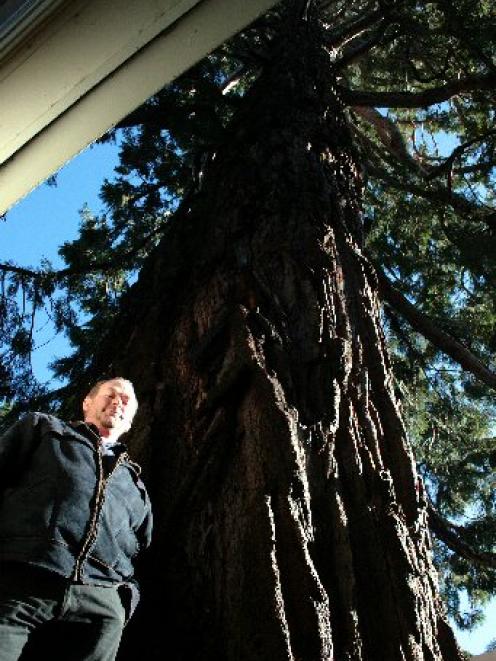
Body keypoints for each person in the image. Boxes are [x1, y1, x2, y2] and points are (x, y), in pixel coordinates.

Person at [0, 377, 153, 661]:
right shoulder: (44, 429)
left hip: (100, 601)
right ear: (87, 402)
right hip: (25, 581)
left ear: (130, 422)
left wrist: (121, 603)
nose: (118, 402)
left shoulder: (135, 484)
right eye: (112, 394)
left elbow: (140, 544)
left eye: (126, 401)